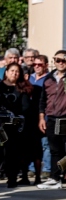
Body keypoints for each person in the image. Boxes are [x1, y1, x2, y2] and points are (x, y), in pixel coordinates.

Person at [0, 63, 42, 186]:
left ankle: (12, 178)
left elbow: (26, 107)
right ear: (6, 72)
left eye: (17, 71)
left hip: (16, 126)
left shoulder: (22, 88)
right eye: (12, 71)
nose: (14, 73)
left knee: (13, 153)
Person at [38, 54, 66, 189]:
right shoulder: (48, 79)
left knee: (63, 150)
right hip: (51, 118)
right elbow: (43, 100)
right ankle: (55, 177)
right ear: (54, 61)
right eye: (58, 60)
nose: (61, 63)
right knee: (55, 150)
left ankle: (61, 176)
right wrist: (41, 118)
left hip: (65, 118)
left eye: (64, 60)